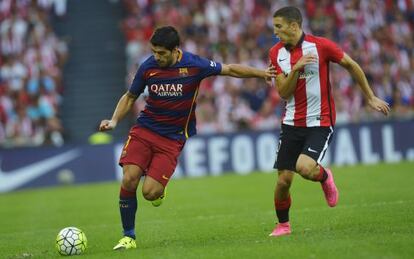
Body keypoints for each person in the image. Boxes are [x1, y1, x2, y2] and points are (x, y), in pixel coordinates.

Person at [99, 26, 276, 250]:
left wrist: (262, 73)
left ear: (176, 50)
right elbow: (130, 96)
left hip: (172, 139)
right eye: (154, 51)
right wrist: (114, 120)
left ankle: (159, 186)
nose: (157, 57)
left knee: (150, 193)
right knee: (129, 178)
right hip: (145, 130)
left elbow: (230, 69)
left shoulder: (195, 65)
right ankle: (128, 236)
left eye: (162, 53)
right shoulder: (148, 67)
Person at [268, 6, 390, 237]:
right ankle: (283, 225)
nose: (275, 32)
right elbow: (283, 93)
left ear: (294, 26)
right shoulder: (276, 53)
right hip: (291, 122)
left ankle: (325, 177)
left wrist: (370, 96)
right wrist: (296, 69)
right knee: (283, 180)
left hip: (320, 120)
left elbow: (351, 64)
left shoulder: (321, 45)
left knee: (304, 168)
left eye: (279, 26)